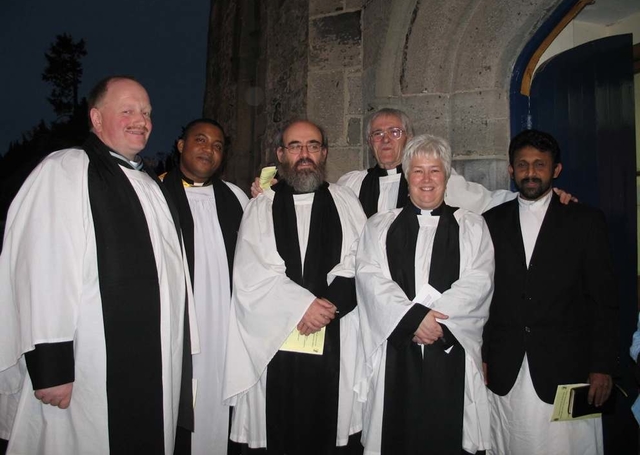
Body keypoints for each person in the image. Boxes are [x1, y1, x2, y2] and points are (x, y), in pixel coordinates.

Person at [0, 76, 197, 454]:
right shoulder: (68, 169)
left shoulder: (150, 185)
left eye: (147, 112)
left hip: (155, 364)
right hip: (86, 366)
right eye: (127, 111)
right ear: (96, 117)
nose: (142, 120)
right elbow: (42, 268)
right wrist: (51, 364)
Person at [223, 120, 367, 454]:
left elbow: (362, 261)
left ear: (325, 152)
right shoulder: (262, 205)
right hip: (274, 340)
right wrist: (303, 306)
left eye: (313, 146)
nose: (305, 154)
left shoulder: (345, 201)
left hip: (336, 333)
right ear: (280, 154)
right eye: (295, 146)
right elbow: (251, 271)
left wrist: (327, 306)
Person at [355, 135, 494, 454]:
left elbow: (479, 281)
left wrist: (435, 324)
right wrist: (413, 320)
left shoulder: (471, 226)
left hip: (449, 349)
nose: (427, 179)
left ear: (447, 177)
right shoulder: (379, 226)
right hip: (396, 349)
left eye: (435, 170)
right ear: (406, 176)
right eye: (418, 171)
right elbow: (369, 277)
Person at [482, 129, 618, 455]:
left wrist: (603, 366)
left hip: (569, 367)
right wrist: (482, 355)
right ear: (510, 170)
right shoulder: (488, 222)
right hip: (506, 366)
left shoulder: (585, 221)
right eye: (523, 165)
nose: (531, 172)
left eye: (539, 165)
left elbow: (605, 301)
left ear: (555, 170)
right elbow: (481, 297)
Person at [161, 118, 249, 454]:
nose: (208, 150)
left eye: (216, 145)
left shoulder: (236, 198)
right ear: (181, 146)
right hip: (178, 325)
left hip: (225, 328)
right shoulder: (155, 194)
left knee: (219, 402)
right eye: (200, 140)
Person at [252, 108, 517, 216]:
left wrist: (542, 200)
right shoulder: (353, 183)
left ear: (409, 138)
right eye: (378, 134)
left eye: (395, 132)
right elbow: (314, 202)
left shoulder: (432, 181)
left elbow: (489, 202)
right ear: (370, 142)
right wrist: (273, 191)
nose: (386, 140)